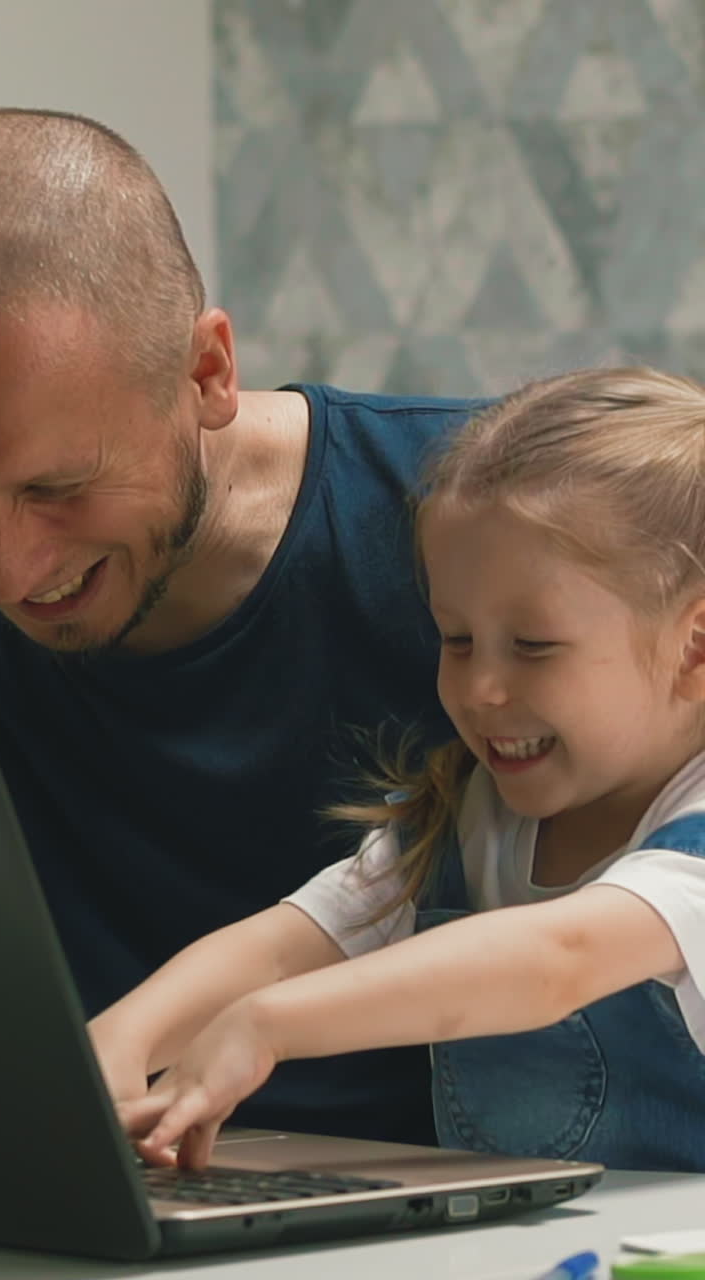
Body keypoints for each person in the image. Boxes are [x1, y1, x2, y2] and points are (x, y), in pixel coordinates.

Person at [0, 106, 494, 1144]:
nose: (10, 569)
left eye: (61, 487)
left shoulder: (499, 530)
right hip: (89, 1198)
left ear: (209, 373)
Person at [92, 366, 705, 1173]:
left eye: (534, 647)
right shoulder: (465, 821)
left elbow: (559, 961)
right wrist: (110, 1052)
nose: (481, 689)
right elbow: (280, 946)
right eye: (456, 640)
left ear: (695, 646)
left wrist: (265, 1025)